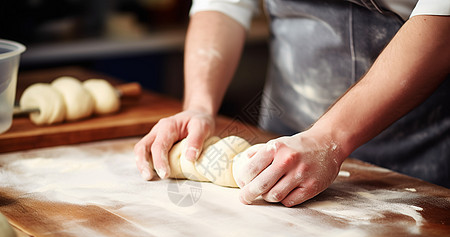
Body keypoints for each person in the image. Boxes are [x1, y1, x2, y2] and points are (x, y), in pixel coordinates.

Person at [134, 0, 450, 207]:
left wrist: (331, 139)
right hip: (282, 140)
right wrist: (199, 104)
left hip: (417, 150)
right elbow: (223, 5)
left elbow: (442, 25)